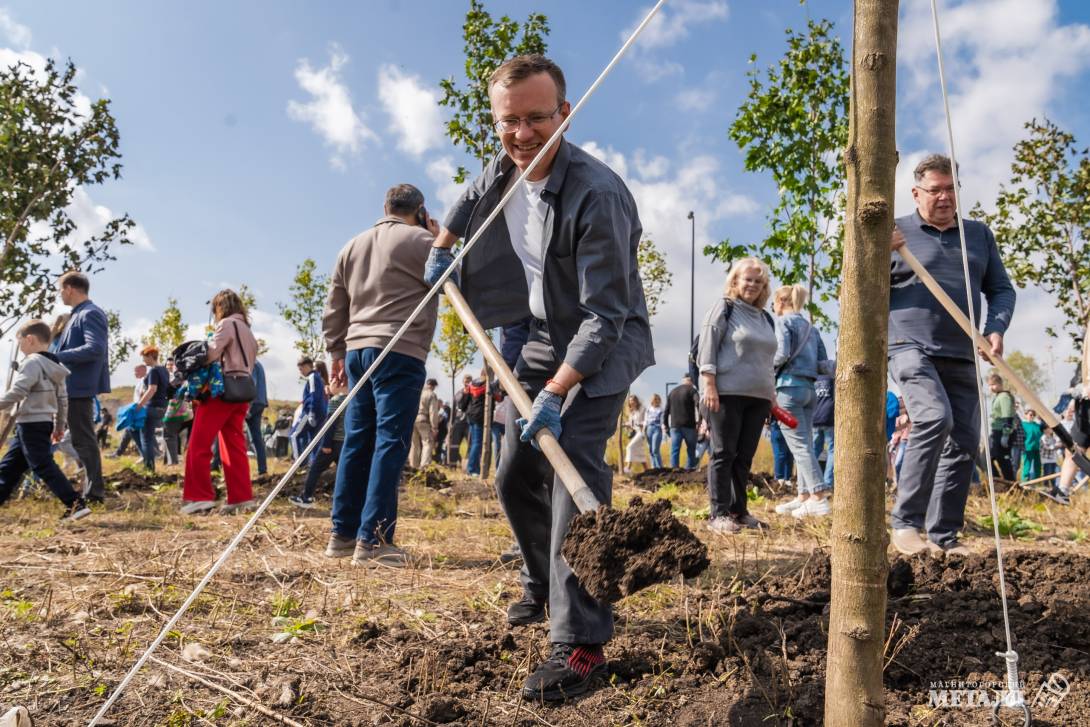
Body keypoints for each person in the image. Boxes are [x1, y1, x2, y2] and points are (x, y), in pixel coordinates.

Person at [425, 54, 653, 701]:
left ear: (565, 114)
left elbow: (605, 316)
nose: (522, 134)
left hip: (602, 342)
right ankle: (541, 579)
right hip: (544, 333)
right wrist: (443, 239)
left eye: (536, 119)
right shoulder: (507, 161)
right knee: (513, 470)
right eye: (509, 122)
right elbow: (477, 187)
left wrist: (556, 392)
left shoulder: (596, 195)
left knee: (571, 467)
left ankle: (579, 641)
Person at [888, 154, 1016, 556]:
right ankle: (905, 523)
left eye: (950, 189)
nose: (944, 198)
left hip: (962, 351)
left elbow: (1001, 290)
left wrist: (995, 328)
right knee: (933, 417)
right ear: (915, 193)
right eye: (934, 190)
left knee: (964, 440)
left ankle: (944, 534)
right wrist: (877, 252)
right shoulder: (895, 232)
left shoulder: (977, 235)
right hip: (909, 346)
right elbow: (859, 284)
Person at [322, 183, 439, 566]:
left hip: (357, 351)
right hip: (400, 351)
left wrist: (336, 351)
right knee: (391, 441)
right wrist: (440, 240)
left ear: (385, 207)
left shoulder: (351, 246)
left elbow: (334, 304)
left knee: (357, 439)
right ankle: (373, 540)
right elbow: (456, 277)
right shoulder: (423, 241)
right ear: (420, 210)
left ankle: (342, 534)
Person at [696, 257, 777, 533]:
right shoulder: (724, 308)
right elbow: (707, 347)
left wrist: (772, 397)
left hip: (759, 398)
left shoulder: (766, 318)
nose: (752, 285)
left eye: (758, 281)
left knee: (744, 457)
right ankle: (718, 514)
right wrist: (709, 384)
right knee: (723, 453)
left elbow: (768, 361)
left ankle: (739, 511)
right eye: (747, 279)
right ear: (735, 281)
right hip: (726, 393)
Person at [0, 320, 90, 521]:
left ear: (29, 339)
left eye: (20, 343)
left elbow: (18, 391)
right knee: (8, 467)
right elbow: (62, 400)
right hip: (40, 423)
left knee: (42, 465)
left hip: (30, 423)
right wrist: (59, 425)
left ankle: (75, 504)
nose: (20, 348)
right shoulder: (54, 365)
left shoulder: (32, 362)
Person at [180, 289, 258, 515]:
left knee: (198, 444)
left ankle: (199, 496)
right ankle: (241, 498)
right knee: (234, 446)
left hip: (221, 391)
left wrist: (194, 355)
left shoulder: (226, 325)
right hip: (242, 392)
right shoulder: (248, 331)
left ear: (220, 307)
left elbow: (212, 354)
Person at [770, 285, 834, 519]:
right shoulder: (811, 328)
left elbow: (781, 354)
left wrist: (764, 369)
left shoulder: (782, 323)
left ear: (781, 301)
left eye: (773, 303)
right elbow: (822, 363)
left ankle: (817, 496)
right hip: (810, 390)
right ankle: (804, 496)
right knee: (804, 443)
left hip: (787, 388)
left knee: (799, 446)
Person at [54, 271, 110, 502]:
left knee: (84, 440)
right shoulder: (78, 314)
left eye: (60, 289)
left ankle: (95, 493)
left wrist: (56, 357)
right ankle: (92, 490)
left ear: (69, 288)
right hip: (73, 387)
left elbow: (95, 348)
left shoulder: (90, 313)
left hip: (79, 387)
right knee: (81, 440)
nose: (60, 295)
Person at [290, 380, 348, 508]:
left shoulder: (336, 400)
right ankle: (345, 501)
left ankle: (307, 497)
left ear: (340, 384)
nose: (329, 384)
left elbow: (330, 425)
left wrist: (326, 444)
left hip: (332, 443)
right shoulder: (352, 399)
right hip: (345, 442)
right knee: (345, 472)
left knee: (315, 469)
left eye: (332, 381)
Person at [135, 346, 169, 473]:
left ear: (150, 356)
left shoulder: (154, 371)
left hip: (152, 407)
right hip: (162, 407)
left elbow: (152, 389)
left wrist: (139, 405)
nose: (143, 360)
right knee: (141, 434)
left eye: (144, 357)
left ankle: (149, 468)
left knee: (146, 438)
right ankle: (149, 461)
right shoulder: (164, 370)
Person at [291, 356, 327, 460]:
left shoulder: (312, 377)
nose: (300, 372)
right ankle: (313, 464)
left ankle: (299, 464)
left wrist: (311, 411)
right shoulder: (318, 377)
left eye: (301, 369)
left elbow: (313, 395)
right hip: (320, 412)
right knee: (314, 440)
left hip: (310, 412)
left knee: (294, 435)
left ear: (307, 366)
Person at [112, 364, 147, 458]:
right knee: (130, 431)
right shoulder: (140, 381)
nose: (134, 373)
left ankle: (145, 455)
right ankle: (118, 453)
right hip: (137, 410)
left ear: (143, 370)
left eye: (136, 371)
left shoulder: (145, 381)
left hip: (139, 410)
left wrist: (136, 408)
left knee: (134, 432)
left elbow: (143, 395)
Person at [665, 375, 699, 469]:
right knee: (691, 449)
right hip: (689, 426)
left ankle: (675, 470)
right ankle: (689, 470)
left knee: (675, 450)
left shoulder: (672, 392)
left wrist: (665, 425)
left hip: (675, 426)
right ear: (691, 381)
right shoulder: (692, 390)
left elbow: (666, 410)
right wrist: (700, 420)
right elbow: (698, 404)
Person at [812, 373, 835, 491]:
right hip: (829, 418)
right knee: (833, 450)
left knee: (813, 451)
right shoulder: (833, 379)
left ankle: (812, 482)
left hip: (815, 418)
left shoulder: (813, 379)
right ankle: (828, 483)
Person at [410, 379, 440, 468]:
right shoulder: (432, 394)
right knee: (428, 442)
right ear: (434, 386)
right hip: (423, 419)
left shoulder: (418, 392)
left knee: (414, 444)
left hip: (412, 419)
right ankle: (424, 466)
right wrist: (435, 427)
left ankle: (413, 466)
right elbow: (433, 412)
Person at [462, 372, 487, 476]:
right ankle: (472, 469)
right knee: (477, 443)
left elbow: (464, 403)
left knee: (474, 443)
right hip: (480, 416)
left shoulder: (472, 385)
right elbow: (499, 397)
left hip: (471, 416)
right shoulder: (487, 385)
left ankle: (473, 468)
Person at [247, 360, 269, 476]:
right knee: (256, 437)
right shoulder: (258, 363)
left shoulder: (252, 363)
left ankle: (216, 464)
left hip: (252, 403)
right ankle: (262, 469)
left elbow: (252, 383)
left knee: (233, 433)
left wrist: (247, 406)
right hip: (260, 402)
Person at [623, 395, 650, 474]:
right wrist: (625, 424)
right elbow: (632, 424)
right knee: (640, 451)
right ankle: (647, 470)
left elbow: (646, 421)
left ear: (636, 401)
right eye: (630, 401)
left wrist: (639, 424)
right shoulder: (632, 412)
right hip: (635, 433)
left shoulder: (642, 409)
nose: (632, 402)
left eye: (633, 400)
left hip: (641, 432)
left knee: (629, 447)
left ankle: (628, 467)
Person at [448, 375, 471, 467]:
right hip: (458, 422)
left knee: (471, 444)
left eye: (469, 381)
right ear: (463, 382)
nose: (467, 383)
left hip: (469, 422)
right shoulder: (458, 393)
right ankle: (452, 464)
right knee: (454, 444)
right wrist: (451, 423)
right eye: (466, 381)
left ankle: (467, 465)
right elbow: (453, 409)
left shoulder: (474, 393)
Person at [769, 418, 793, 486]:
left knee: (780, 453)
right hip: (791, 425)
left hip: (778, 424)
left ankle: (779, 478)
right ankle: (787, 479)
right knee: (789, 454)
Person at [644, 393, 665, 469]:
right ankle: (654, 467)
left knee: (655, 449)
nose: (656, 401)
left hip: (657, 429)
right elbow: (645, 420)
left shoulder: (661, 410)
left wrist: (664, 430)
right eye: (654, 399)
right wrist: (644, 430)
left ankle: (660, 467)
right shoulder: (648, 409)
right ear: (652, 400)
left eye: (657, 399)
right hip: (649, 429)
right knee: (651, 450)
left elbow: (662, 421)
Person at [1021, 409, 1043, 482]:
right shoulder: (1023, 425)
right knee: (1027, 465)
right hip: (1027, 448)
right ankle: (1025, 481)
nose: (1032, 416)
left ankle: (1037, 480)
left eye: (1033, 415)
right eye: (1030, 414)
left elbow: (1042, 432)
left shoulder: (1037, 425)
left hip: (1036, 448)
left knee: (1038, 465)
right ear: (1026, 415)